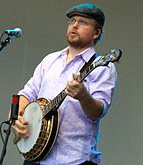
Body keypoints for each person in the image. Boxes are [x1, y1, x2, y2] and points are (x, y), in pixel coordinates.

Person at [12, 4, 117, 165]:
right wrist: (18, 121)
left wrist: (83, 96)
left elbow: (97, 112)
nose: (74, 25)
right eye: (72, 21)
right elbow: (26, 94)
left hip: (74, 159)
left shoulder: (103, 67)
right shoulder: (50, 60)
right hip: (35, 157)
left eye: (83, 22)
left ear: (96, 32)